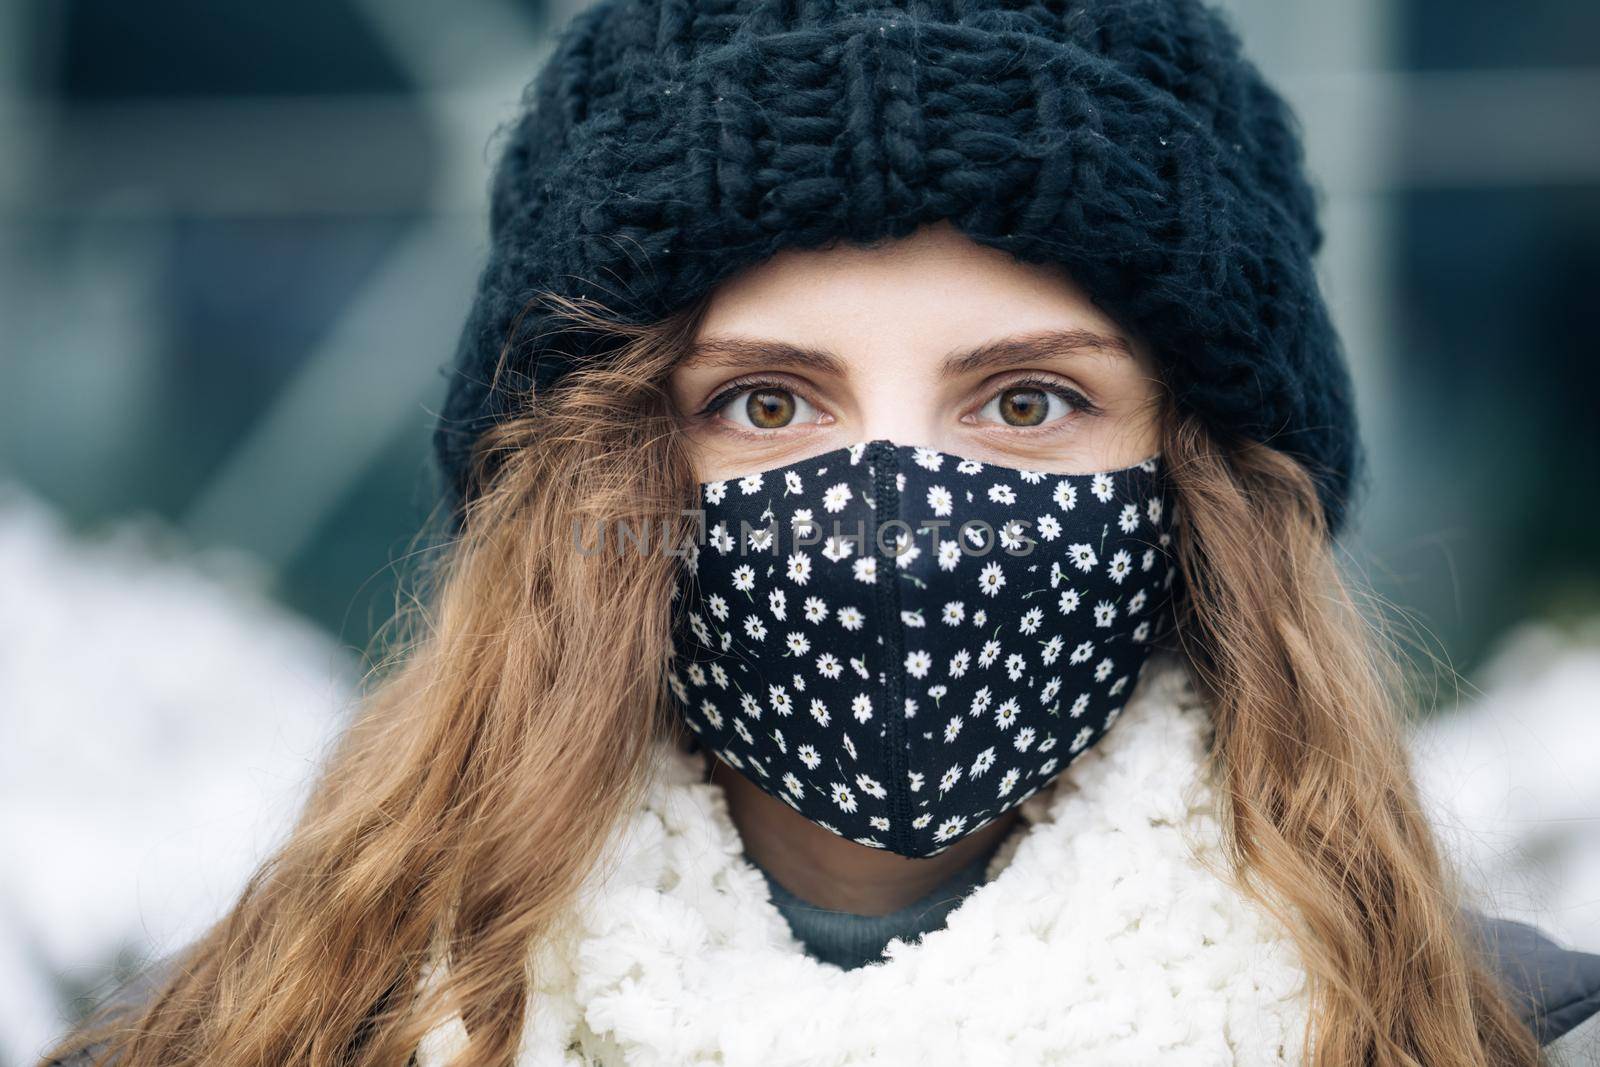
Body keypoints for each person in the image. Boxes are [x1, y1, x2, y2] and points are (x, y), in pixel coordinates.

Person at [41, 0, 1600, 1064]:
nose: (897, 520)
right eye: (769, 405)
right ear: (585, 476)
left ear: (1213, 486)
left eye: (1030, 403)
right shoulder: (261, 1040)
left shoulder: (1492, 1035)